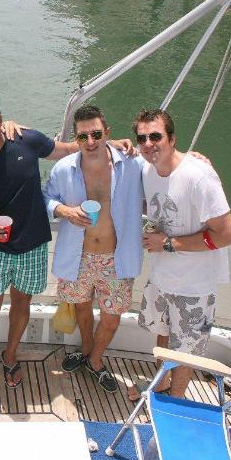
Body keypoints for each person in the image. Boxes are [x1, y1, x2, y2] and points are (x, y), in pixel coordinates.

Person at [0, 93, 93, 398]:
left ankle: (10, 355)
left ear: (1, 120)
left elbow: (66, 149)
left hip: (32, 244)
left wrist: (109, 144)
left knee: (22, 303)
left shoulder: (26, 140)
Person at [134, 108, 231, 399]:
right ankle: (160, 386)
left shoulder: (199, 177)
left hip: (194, 287)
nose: (148, 144)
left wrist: (167, 243)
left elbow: (226, 234)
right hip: (161, 278)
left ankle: (175, 402)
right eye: (142, 138)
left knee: (186, 353)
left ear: (172, 138)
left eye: (156, 136)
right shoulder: (147, 168)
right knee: (163, 335)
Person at [43, 105, 144, 393]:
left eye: (96, 134)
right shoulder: (64, 168)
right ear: (75, 139)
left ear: (107, 133)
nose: (90, 142)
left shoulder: (132, 164)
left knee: (112, 318)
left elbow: (163, 165)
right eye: (83, 136)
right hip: (78, 257)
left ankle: (96, 360)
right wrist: (64, 210)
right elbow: (45, 197)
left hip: (117, 258)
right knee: (81, 307)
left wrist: (193, 158)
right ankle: (87, 350)